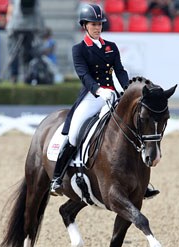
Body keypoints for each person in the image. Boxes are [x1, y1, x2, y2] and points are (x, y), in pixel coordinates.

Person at [50, 3, 159, 200]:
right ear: (85, 25)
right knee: (74, 133)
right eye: (93, 24)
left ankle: (142, 182)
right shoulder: (79, 49)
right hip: (92, 97)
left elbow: (120, 71)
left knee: (133, 129)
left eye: (100, 23)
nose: (97, 27)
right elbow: (83, 75)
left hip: (114, 95)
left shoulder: (111, 47)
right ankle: (57, 177)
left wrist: (127, 91)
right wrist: (100, 91)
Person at [6, 0, 44, 83]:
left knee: (24, 52)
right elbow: (38, 12)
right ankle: (17, 75)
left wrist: (9, 27)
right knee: (17, 53)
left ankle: (23, 75)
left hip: (20, 27)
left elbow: (11, 10)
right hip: (25, 27)